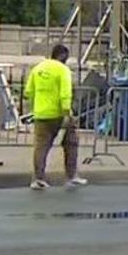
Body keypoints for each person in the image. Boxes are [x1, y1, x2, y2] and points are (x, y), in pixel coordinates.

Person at [26, 44, 84, 189]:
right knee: (71, 143)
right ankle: (71, 176)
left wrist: (35, 108)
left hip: (41, 114)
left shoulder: (38, 68)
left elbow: (28, 91)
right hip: (59, 114)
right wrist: (67, 112)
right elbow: (65, 93)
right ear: (64, 57)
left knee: (41, 147)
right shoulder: (63, 70)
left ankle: (38, 178)